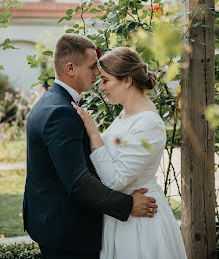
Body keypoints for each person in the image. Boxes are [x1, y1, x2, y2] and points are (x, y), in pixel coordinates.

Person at [23, 34, 158, 259]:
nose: (97, 73)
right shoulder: (61, 112)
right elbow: (78, 183)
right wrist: (128, 205)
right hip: (68, 232)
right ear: (70, 68)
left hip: (51, 221)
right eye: (93, 66)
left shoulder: (52, 102)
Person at [72, 47, 187, 259]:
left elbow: (116, 181)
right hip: (122, 214)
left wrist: (94, 135)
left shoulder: (148, 124)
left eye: (106, 80)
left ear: (127, 80)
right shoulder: (125, 115)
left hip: (141, 225)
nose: (101, 86)